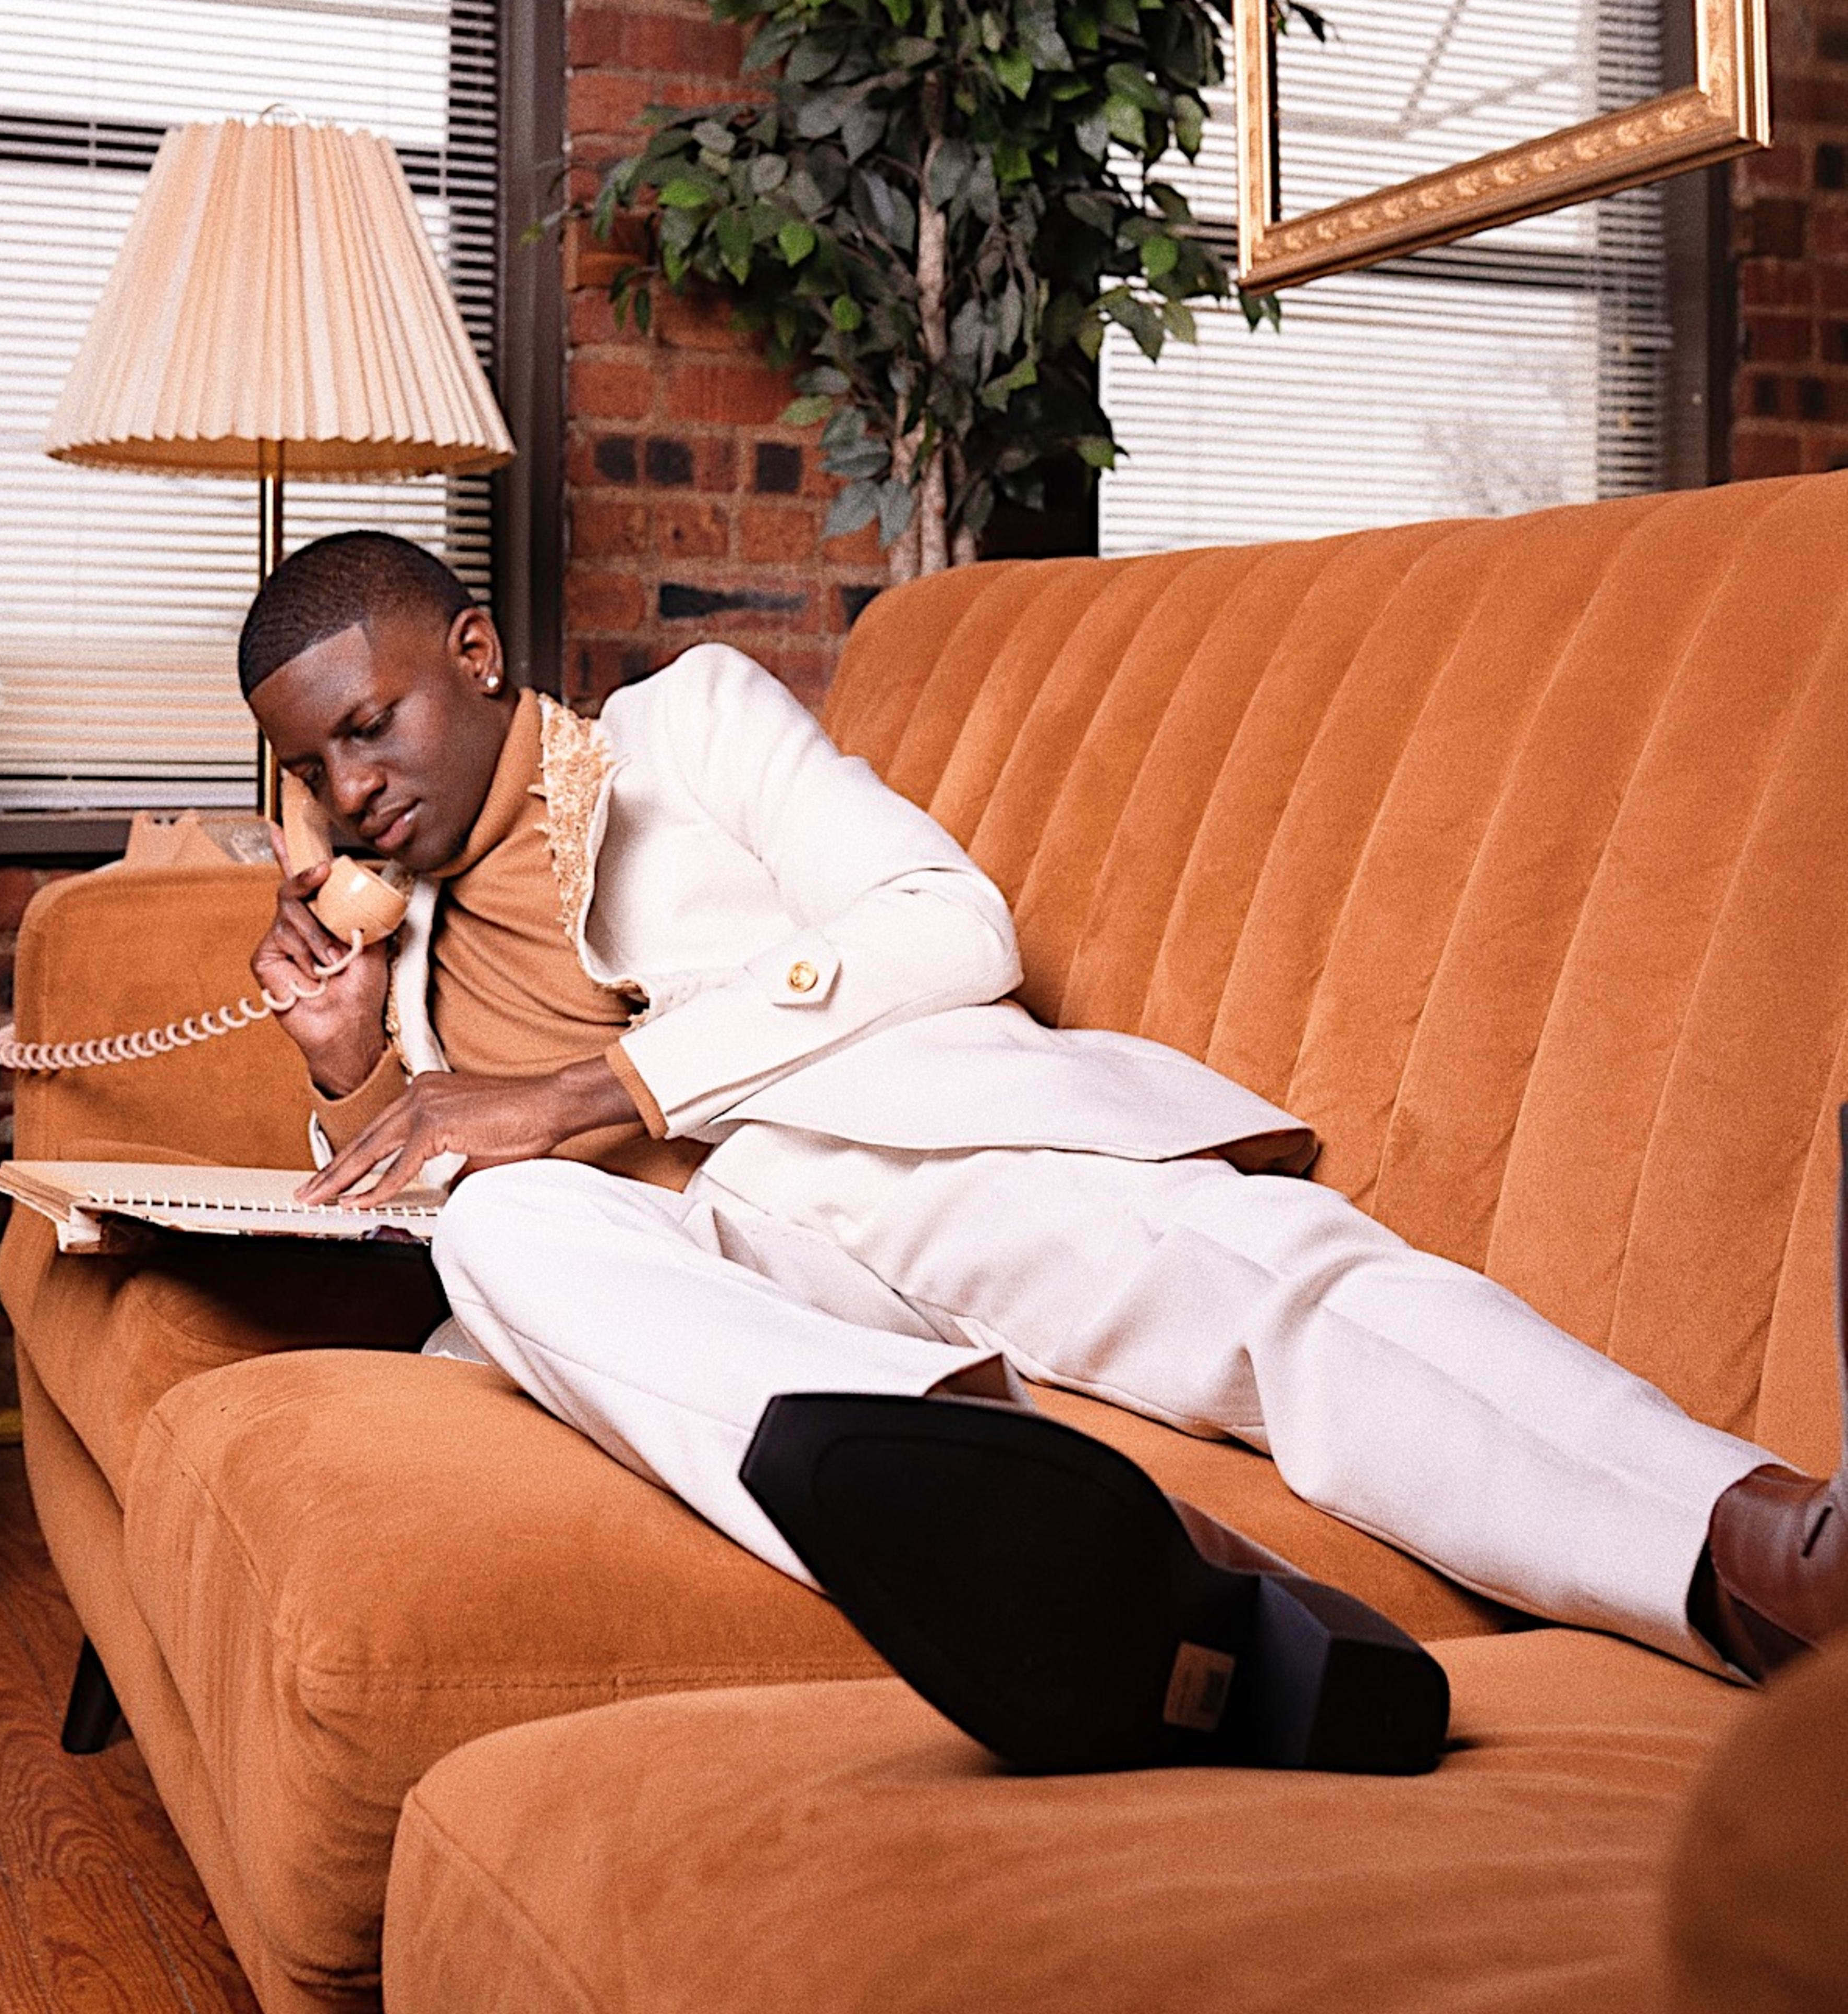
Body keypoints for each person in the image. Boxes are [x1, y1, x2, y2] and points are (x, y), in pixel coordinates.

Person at [240, 532, 1847, 1765]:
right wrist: (355, 1070)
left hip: (910, 1151)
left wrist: (603, 1090)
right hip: (713, 1287)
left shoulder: (689, 727)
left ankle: (1767, 1559)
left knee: (1263, 1285)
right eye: (311, 770)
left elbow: (952, 923)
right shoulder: (403, 951)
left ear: (476, 650)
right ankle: (1031, 1539)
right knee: (501, 1233)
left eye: (370, 728)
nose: (353, 789)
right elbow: (457, 1193)